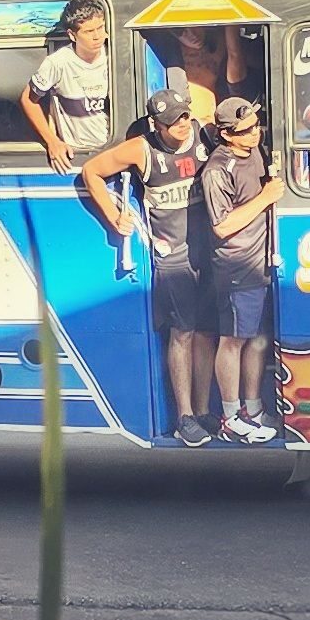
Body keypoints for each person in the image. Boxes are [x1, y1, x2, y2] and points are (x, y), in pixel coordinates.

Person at [80, 86, 218, 446]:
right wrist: (113, 216)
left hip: (207, 251)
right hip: (172, 257)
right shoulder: (142, 149)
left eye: (185, 116)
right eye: (173, 121)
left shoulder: (202, 133)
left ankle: (204, 410)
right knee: (182, 334)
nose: (182, 124)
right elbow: (91, 171)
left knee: (206, 332)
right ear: (157, 125)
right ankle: (184, 417)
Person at [200, 95, 284, 443]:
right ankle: (230, 416)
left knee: (257, 339)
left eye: (256, 126)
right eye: (246, 130)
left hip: (261, 261)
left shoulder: (256, 151)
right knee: (233, 340)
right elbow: (221, 226)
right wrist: (265, 198)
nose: (255, 134)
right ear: (225, 134)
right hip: (236, 265)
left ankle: (253, 407)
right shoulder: (217, 170)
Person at [21, 0, 111, 173]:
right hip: (78, 156)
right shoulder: (58, 63)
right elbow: (28, 100)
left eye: (100, 28)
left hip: (112, 150)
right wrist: (52, 141)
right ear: (72, 35)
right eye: (89, 31)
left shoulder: (114, 55)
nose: (97, 36)